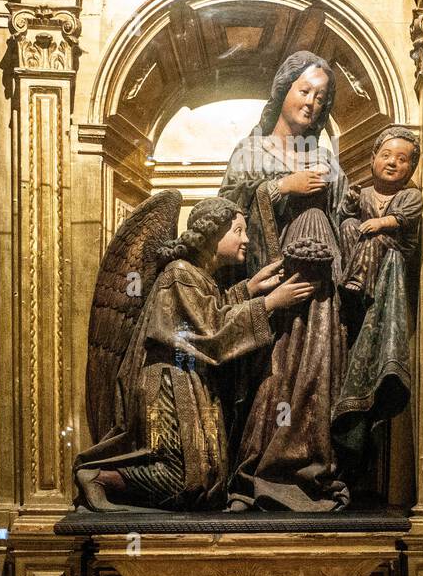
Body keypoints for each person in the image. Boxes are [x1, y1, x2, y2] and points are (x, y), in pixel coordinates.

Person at [74, 198, 313, 511]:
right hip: (169, 387)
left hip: (188, 381)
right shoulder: (179, 273)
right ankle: (100, 477)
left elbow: (205, 314)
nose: (246, 239)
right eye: (238, 231)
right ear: (213, 233)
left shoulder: (196, 276)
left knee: (208, 484)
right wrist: (269, 303)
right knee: (188, 480)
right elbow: (209, 332)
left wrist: (249, 290)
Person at [219, 51, 351, 511]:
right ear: (284, 90)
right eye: (304, 90)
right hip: (269, 281)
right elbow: (225, 216)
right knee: (271, 377)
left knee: (315, 373)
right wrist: (280, 189)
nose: (311, 102)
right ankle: (259, 471)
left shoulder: (323, 155)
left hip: (318, 294)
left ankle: (311, 473)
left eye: (321, 96)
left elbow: (343, 218)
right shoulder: (250, 151)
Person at [334, 127, 423, 489]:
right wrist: (352, 211)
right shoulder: (363, 193)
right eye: (387, 155)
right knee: (353, 228)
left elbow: (402, 222)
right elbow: (344, 217)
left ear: (412, 168)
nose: (393, 163)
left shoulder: (409, 197)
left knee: (373, 236)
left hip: (387, 278)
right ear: (371, 159)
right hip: (356, 279)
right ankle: (351, 288)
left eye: (403, 159)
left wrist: (379, 223)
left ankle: (358, 287)